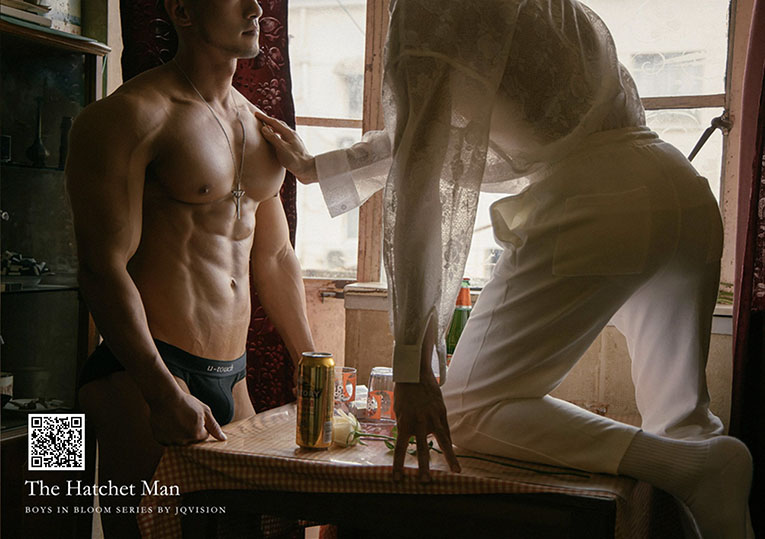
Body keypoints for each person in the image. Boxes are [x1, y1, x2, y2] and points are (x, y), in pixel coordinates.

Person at [256, 0, 754, 536]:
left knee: (467, 410)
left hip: (603, 199)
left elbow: (420, 172)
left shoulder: (425, 10)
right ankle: (703, 468)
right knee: (681, 424)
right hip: (680, 187)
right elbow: (431, 133)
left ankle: (696, 466)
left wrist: (412, 365)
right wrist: (322, 168)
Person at [66, 0, 315, 536]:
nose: (255, 9)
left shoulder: (260, 126)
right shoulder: (130, 115)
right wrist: (160, 391)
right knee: (146, 529)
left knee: (248, 528)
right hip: (142, 372)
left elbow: (274, 257)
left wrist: (310, 361)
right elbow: (100, 268)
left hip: (233, 378)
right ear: (182, 11)